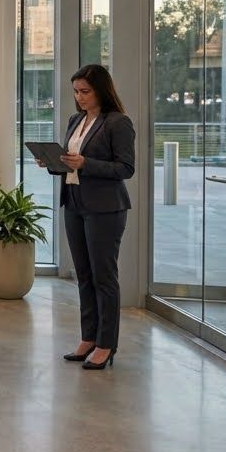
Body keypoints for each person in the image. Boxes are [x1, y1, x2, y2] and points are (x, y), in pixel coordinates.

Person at [49, 63, 135, 371]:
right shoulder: (76, 120)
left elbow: (125, 168)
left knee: (104, 278)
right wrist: (52, 161)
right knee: (83, 275)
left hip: (106, 209)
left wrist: (86, 162)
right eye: (76, 92)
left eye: (85, 91)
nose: (79, 97)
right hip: (74, 202)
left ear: (101, 90)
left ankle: (106, 344)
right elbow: (71, 163)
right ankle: (88, 337)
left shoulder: (118, 122)